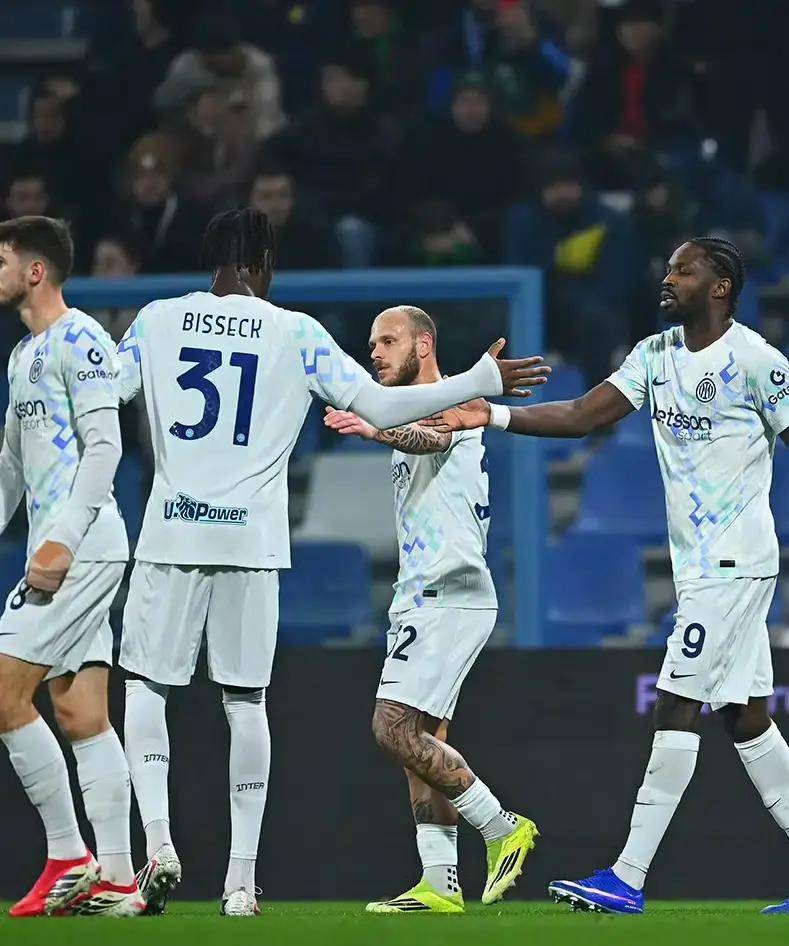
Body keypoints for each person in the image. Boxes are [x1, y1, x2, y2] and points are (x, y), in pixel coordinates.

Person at [115, 207, 549, 917]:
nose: (375, 350)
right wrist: (478, 380)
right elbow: (377, 401)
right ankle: (244, 884)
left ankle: (156, 843)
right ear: (264, 265)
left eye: (387, 339)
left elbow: (106, 390)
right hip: (254, 543)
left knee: (146, 689)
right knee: (250, 703)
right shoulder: (296, 332)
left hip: (172, 533)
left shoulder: (158, 319)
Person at [421, 237, 789, 916]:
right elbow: (581, 415)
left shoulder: (757, 363)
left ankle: (627, 876)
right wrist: (491, 414)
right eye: (667, 266)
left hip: (734, 561)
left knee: (677, 703)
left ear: (720, 288)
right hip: (699, 566)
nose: (667, 277)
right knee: (744, 718)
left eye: (683, 270)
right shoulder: (654, 355)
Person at [324, 305, 539, 914]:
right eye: (371, 343)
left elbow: (433, 436)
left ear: (423, 345)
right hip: (421, 592)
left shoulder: (455, 403)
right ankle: (440, 882)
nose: (374, 352)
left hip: (451, 591)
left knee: (391, 728)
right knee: (420, 743)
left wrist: (376, 430)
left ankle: (501, 827)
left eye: (387, 341)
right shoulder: (413, 407)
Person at [0, 216, 143, 916]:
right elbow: (11, 464)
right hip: (61, 548)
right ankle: (116, 876)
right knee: (80, 711)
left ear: (35, 271)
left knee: (3, 693)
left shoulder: (81, 337)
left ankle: (67, 854)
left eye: (0, 260)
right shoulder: (23, 354)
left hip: (80, 547)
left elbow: (105, 446)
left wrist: (60, 540)